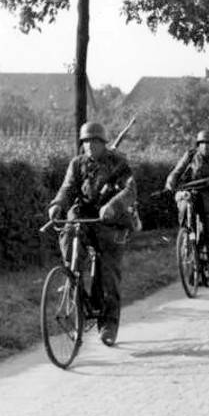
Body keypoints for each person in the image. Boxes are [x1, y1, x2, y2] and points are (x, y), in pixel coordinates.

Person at [48, 121, 139, 347]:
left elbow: (130, 190)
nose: (89, 146)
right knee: (69, 233)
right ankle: (72, 282)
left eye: (94, 141)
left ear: (102, 143)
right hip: (86, 218)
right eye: (86, 142)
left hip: (111, 223)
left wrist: (113, 206)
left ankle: (108, 323)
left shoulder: (118, 163)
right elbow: (67, 188)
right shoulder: (77, 164)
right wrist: (57, 204)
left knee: (109, 275)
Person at [165, 130, 209, 282]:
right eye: (202, 144)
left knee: (208, 232)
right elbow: (176, 171)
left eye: (208, 144)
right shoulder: (190, 156)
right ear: (198, 145)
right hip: (191, 193)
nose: (205, 147)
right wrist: (170, 182)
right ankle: (186, 236)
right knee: (186, 212)